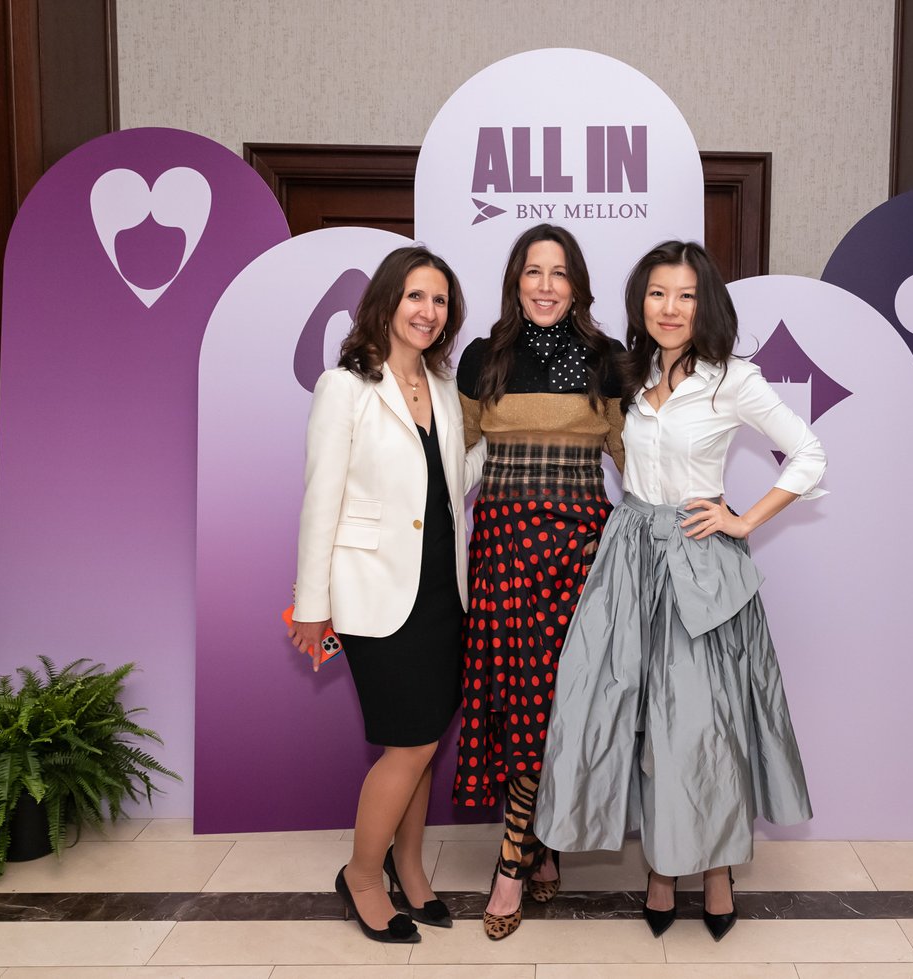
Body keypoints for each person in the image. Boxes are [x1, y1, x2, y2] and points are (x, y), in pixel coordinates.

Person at [536, 240, 826, 942]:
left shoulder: (733, 379)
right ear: (641, 302)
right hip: (630, 557)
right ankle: (661, 873)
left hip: (701, 565)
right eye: (658, 293)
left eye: (687, 294)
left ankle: (716, 874)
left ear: (707, 303)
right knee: (626, 720)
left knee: (701, 728)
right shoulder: (624, 374)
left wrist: (741, 517)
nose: (671, 307)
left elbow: (809, 454)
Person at [289, 246, 485, 944]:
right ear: (387, 302)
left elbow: (453, 476)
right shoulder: (344, 387)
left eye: (439, 301)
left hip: (441, 590)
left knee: (427, 739)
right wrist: (312, 602)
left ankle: (409, 863)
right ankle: (363, 875)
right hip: (375, 592)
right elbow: (322, 499)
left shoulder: (440, 385)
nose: (427, 311)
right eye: (415, 297)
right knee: (408, 742)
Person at [453, 224, 624, 940]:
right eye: (533, 271)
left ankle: (512, 863)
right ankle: (535, 846)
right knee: (516, 700)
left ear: (579, 284)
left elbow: (634, 456)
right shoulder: (480, 358)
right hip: (502, 552)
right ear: (515, 281)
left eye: (559, 272)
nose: (546, 285)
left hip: (582, 553)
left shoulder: (609, 360)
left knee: (561, 705)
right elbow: (449, 457)